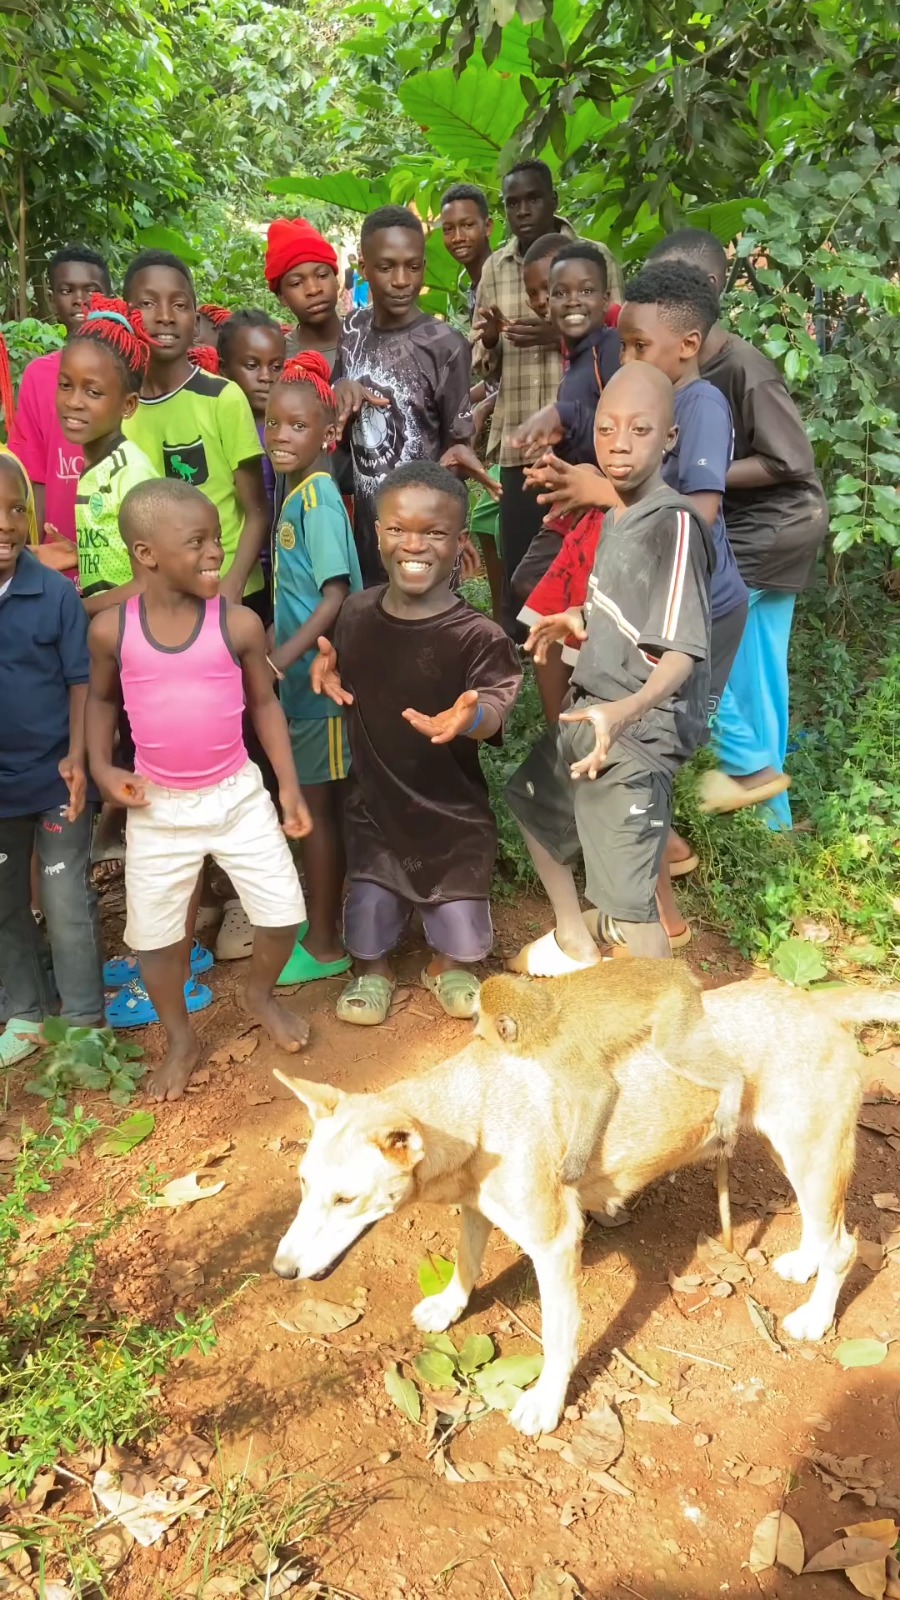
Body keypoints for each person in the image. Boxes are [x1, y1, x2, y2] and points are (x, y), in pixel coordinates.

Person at [85, 479, 310, 1101]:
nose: (217, 551)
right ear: (147, 553)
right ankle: (180, 1040)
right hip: (156, 806)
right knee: (156, 939)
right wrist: (103, 771)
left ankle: (257, 993)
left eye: (218, 537)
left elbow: (264, 705)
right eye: (198, 541)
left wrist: (286, 788)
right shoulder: (112, 631)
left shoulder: (238, 624)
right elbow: (100, 703)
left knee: (284, 913)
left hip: (238, 795)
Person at [504, 364, 714, 973]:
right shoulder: (617, 511)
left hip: (634, 733)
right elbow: (628, 609)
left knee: (631, 906)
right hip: (589, 706)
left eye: (640, 429)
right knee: (533, 809)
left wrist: (622, 715)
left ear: (669, 439)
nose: (619, 443)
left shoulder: (673, 525)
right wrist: (576, 618)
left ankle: (670, 1029)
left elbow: (681, 651)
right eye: (607, 428)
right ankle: (575, 937)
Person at [311, 460, 521, 1027]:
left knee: (462, 935)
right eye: (399, 529)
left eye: (434, 533)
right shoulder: (355, 612)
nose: (414, 545)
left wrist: (469, 718)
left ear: (460, 544)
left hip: (451, 816)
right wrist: (328, 673)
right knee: (370, 918)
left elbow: (494, 705)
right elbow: (344, 668)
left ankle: (447, 964)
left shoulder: (478, 635)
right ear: (376, 533)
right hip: (374, 808)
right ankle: (372, 972)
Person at [649, 227, 828, 826]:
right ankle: (770, 807)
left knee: (722, 650)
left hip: (773, 530)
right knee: (757, 668)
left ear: (702, 293)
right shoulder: (679, 366)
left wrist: (702, 472)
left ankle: (761, 794)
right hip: (746, 528)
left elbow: (789, 459)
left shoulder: (744, 367)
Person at [471, 161, 623, 634]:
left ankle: (590, 639)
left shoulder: (593, 256)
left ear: (553, 200)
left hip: (591, 450)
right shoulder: (495, 268)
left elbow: (618, 327)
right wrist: (492, 340)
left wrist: (555, 331)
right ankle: (531, 648)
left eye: (532, 199)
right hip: (524, 436)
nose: (523, 210)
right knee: (528, 558)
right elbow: (481, 359)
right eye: (512, 203)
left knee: (590, 552)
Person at [0, 450, 104, 1066]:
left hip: (54, 777)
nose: (6, 524)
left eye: (16, 509)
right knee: (6, 901)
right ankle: (26, 1014)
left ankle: (86, 1020)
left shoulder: (52, 596)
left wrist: (78, 757)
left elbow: (80, 682)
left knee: (67, 900)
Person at [265, 352, 362, 985]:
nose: (279, 435)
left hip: (321, 689)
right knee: (309, 806)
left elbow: (334, 596)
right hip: (299, 688)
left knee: (321, 810)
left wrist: (280, 657)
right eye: (271, 423)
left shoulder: (320, 498)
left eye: (296, 426)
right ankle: (322, 917)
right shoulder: (297, 492)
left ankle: (327, 941)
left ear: (326, 433)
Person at [332, 205, 492, 584]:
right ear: (364, 265)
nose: (402, 280)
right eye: (386, 267)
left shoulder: (445, 346)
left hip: (423, 541)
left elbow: (457, 449)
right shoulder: (352, 330)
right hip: (368, 532)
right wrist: (339, 388)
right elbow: (334, 410)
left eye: (413, 266)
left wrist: (451, 532)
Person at [121, 249, 269, 609]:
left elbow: (257, 510)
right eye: (148, 303)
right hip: (156, 602)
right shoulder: (119, 407)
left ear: (195, 315)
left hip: (230, 593)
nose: (166, 316)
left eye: (180, 305)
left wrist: (231, 589)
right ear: (127, 313)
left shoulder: (222, 397)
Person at [9, 245, 112, 575]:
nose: (80, 300)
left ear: (110, 296)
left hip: (119, 553)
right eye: (67, 290)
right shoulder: (39, 376)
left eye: (91, 291)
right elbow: (32, 475)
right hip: (56, 556)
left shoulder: (130, 373)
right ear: (53, 299)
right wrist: (32, 552)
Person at [55, 297, 160, 615]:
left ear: (128, 405)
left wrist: (77, 610)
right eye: (65, 385)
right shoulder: (98, 466)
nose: (74, 401)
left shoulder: (132, 475)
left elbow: (150, 583)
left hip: (135, 640)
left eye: (93, 391)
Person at [217, 310, 286, 521]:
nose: (266, 377)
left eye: (276, 367)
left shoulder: (290, 430)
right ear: (223, 369)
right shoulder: (216, 426)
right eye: (252, 366)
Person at [264, 218, 343, 368]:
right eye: (296, 283)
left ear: (336, 280)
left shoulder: (367, 339)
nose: (313, 290)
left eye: (322, 275)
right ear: (281, 296)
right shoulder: (276, 359)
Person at [439, 183, 494, 319]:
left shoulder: (506, 278)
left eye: (468, 225)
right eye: (448, 229)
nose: (457, 238)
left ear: (487, 227)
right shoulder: (474, 288)